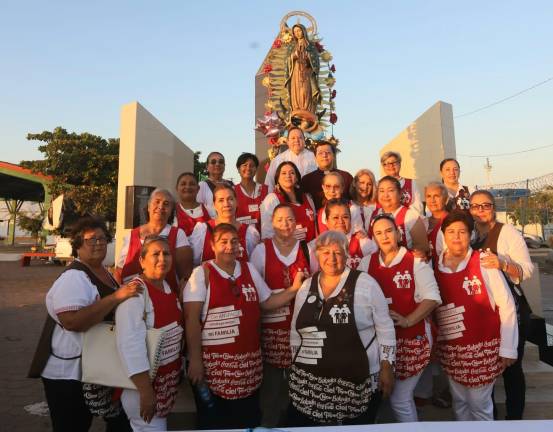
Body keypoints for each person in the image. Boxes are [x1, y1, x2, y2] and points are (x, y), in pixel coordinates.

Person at [183, 223, 307, 429]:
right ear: (213, 245)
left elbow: (267, 302)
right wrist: (195, 360)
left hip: (249, 366)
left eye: (234, 241)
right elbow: (191, 319)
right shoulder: (202, 273)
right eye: (223, 242)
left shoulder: (248, 268)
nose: (230, 246)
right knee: (216, 422)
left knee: (247, 418)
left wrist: (294, 288)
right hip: (215, 367)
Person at [37, 217, 139, 432]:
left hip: (93, 368)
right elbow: (72, 321)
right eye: (91, 239)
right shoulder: (74, 277)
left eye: (102, 238)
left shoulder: (105, 274)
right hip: (68, 374)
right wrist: (115, 298)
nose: (99, 244)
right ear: (78, 245)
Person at [288, 230, 396, 426]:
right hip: (314, 381)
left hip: (357, 380)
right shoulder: (306, 286)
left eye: (337, 253)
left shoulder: (366, 283)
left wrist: (387, 365)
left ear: (347, 255)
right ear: (317, 255)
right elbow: (296, 331)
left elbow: (385, 327)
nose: (331, 258)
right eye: (325, 253)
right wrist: (294, 363)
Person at [434, 211, 518, 421]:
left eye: (462, 231)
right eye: (451, 232)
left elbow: (506, 304)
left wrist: (508, 347)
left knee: (480, 406)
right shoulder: (435, 264)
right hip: (452, 348)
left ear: (470, 234)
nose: (456, 236)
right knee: (460, 403)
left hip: (482, 347)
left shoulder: (483, 261)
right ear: (443, 235)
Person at [357, 214, 441, 422]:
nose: (384, 236)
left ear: (398, 233)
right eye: (378, 233)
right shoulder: (366, 263)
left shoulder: (415, 261)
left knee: (400, 398)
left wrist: (408, 320)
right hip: (380, 342)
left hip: (412, 338)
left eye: (388, 231)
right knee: (381, 394)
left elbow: (432, 298)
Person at [470, 190, 534, 420]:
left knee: (511, 367)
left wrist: (503, 263)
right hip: (485, 311)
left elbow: (526, 270)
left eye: (485, 205)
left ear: (493, 207)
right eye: (475, 206)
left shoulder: (507, 232)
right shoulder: (471, 236)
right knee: (488, 367)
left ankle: (515, 418)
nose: (480, 210)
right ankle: (492, 418)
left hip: (512, 309)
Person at [250, 204, 311, 427]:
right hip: (272, 330)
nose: (285, 224)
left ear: (296, 223)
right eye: (280, 220)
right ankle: (268, 425)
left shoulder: (307, 249)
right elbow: (257, 293)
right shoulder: (260, 251)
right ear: (272, 223)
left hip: (302, 329)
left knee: (299, 387)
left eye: (289, 219)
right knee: (271, 389)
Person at [116, 236, 185, 431]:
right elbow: (129, 344)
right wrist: (146, 392)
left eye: (166, 253)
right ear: (142, 260)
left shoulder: (167, 287)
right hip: (142, 388)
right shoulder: (135, 293)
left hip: (164, 385)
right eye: (155, 254)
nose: (162, 258)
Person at [115, 188, 193, 294]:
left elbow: (185, 276)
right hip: (134, 298)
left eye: (166, 204)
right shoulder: (132, 235)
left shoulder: (178, 235)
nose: (161, 206)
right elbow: (119, 272)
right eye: (157, 202)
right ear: (148, 206)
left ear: (171, 211)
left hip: (165, 297)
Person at [189, 184, 260, 265]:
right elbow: (193, 264)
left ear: (237, 202)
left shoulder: (249, 233)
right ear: (214, 205)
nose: (226, 204)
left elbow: (254, 266)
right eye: (221, 200)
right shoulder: (203, 230)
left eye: (230, 199)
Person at [310, 198, 375, 272]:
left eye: (345, 217)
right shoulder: (316, 246)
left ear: (350, 220)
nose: (340, 221)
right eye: (335, 218)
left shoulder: (363, 242)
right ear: (327, 221)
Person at [260, 161, 317, 242]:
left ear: (297, 177)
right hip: (287, 252)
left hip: (310, 251)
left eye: (292, 173)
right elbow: (267, 233)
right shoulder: (272, 199)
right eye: (283, 173)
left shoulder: (308, 198)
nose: (288, 176)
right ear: (277, 178)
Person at [372, 176, 429, 254]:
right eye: (381, 191)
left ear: (400, 194)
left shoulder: (411, 215)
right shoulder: (373, 215)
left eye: (390, 190)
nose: (386, 195)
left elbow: (422, 247)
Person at [300, 141, 353, 210]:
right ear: (315, 157)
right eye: (320, 153)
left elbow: (354, 201)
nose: (324, 155)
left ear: (333, 156)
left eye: (328, 152)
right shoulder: (307, 180)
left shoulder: (346, 177)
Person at [264, 128, 317, 192]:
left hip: (311, 196)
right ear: (287, 141)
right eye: (293, 138)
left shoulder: (314, 157)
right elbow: (269, 182)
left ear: (304, 140)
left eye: (300, 138)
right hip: (286, 198)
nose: (297, 140)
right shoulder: (278, 159)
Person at [284, 24, 321, 115]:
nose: (297, 33)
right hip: (295, 72)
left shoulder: (311, 46)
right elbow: (287, 61)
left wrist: (308, 57)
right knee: (296, 91)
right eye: (295, 32)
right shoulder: (291, 47)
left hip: (306, 72)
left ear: (303, 31)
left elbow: (316, 62)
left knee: (305, 91)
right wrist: (294, 56)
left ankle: (307, 110)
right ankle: (296, 109)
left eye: (299, 31)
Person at [234, 153, 269, 232]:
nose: (248, 168)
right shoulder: (232, 192)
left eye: (252, 165)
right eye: (244, 165)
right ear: (238, 169)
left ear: (256, 169)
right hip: (240, 238)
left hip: (263, 238)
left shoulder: (266, 190)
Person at [196, 152, 234, 216]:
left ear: (224, 165)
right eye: (213, 162)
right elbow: (198, 210)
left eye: (221, 162)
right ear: (207, 166)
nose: (217, 164)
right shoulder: (202, 185)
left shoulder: (231, 185)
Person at [174, 172, 211, 236]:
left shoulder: (209, 211)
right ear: (177, 188)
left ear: (198, 188)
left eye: (192, 184)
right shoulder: (172, 212)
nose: (187, 187)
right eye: (183, 184)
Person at [425, 182, 449, 265]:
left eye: (436, 196)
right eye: (428, 196)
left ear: (446, 199)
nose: (432, 200)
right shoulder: (422, 222)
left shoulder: (452, 221)